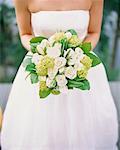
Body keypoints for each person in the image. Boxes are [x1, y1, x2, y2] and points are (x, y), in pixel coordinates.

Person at [1, 0, 118, 149]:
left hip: (82, 66)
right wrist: (45, 53)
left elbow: (93, 32)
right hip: (42, 68)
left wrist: (76, 56)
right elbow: (25, 34)